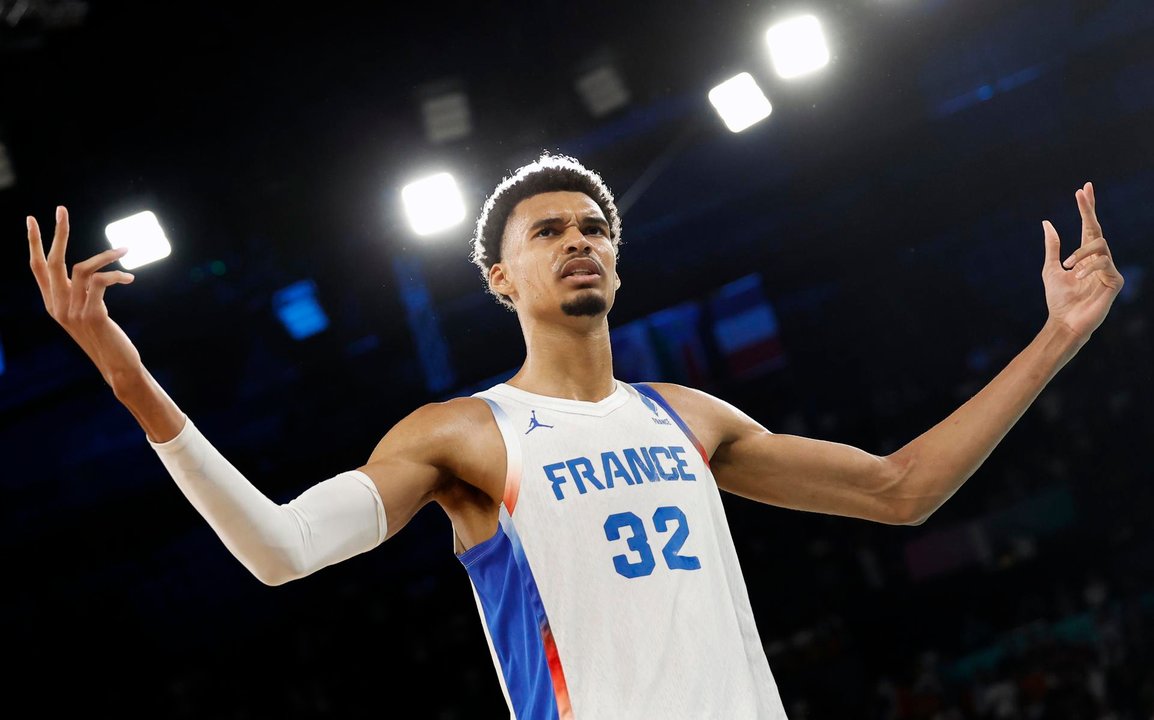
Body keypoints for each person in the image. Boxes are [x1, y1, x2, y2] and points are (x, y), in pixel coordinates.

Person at [25, 152, 1124, 719]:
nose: (579, 240)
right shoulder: (464, 434)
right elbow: (277, 550)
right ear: (500, 279)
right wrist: (124, 371)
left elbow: (899, 490)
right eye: (547, 231)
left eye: (595, 226)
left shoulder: (688, 415)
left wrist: (1054, 339)